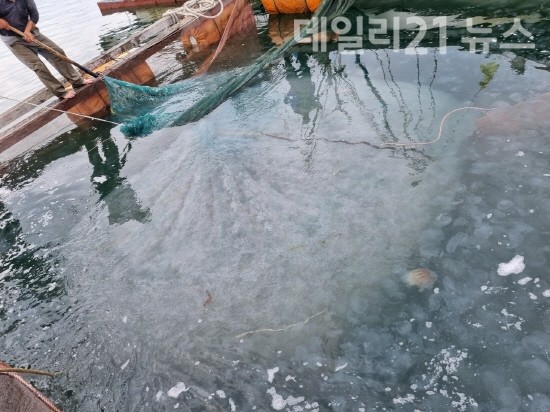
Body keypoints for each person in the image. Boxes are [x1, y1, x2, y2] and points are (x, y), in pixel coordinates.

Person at [0, 0, 94, 99]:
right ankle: (60, 92)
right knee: (38, 66)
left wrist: (27, 31)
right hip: (13, 40)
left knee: (57, 52)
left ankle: (77, 81)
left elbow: (34, 14)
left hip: (31, 32)